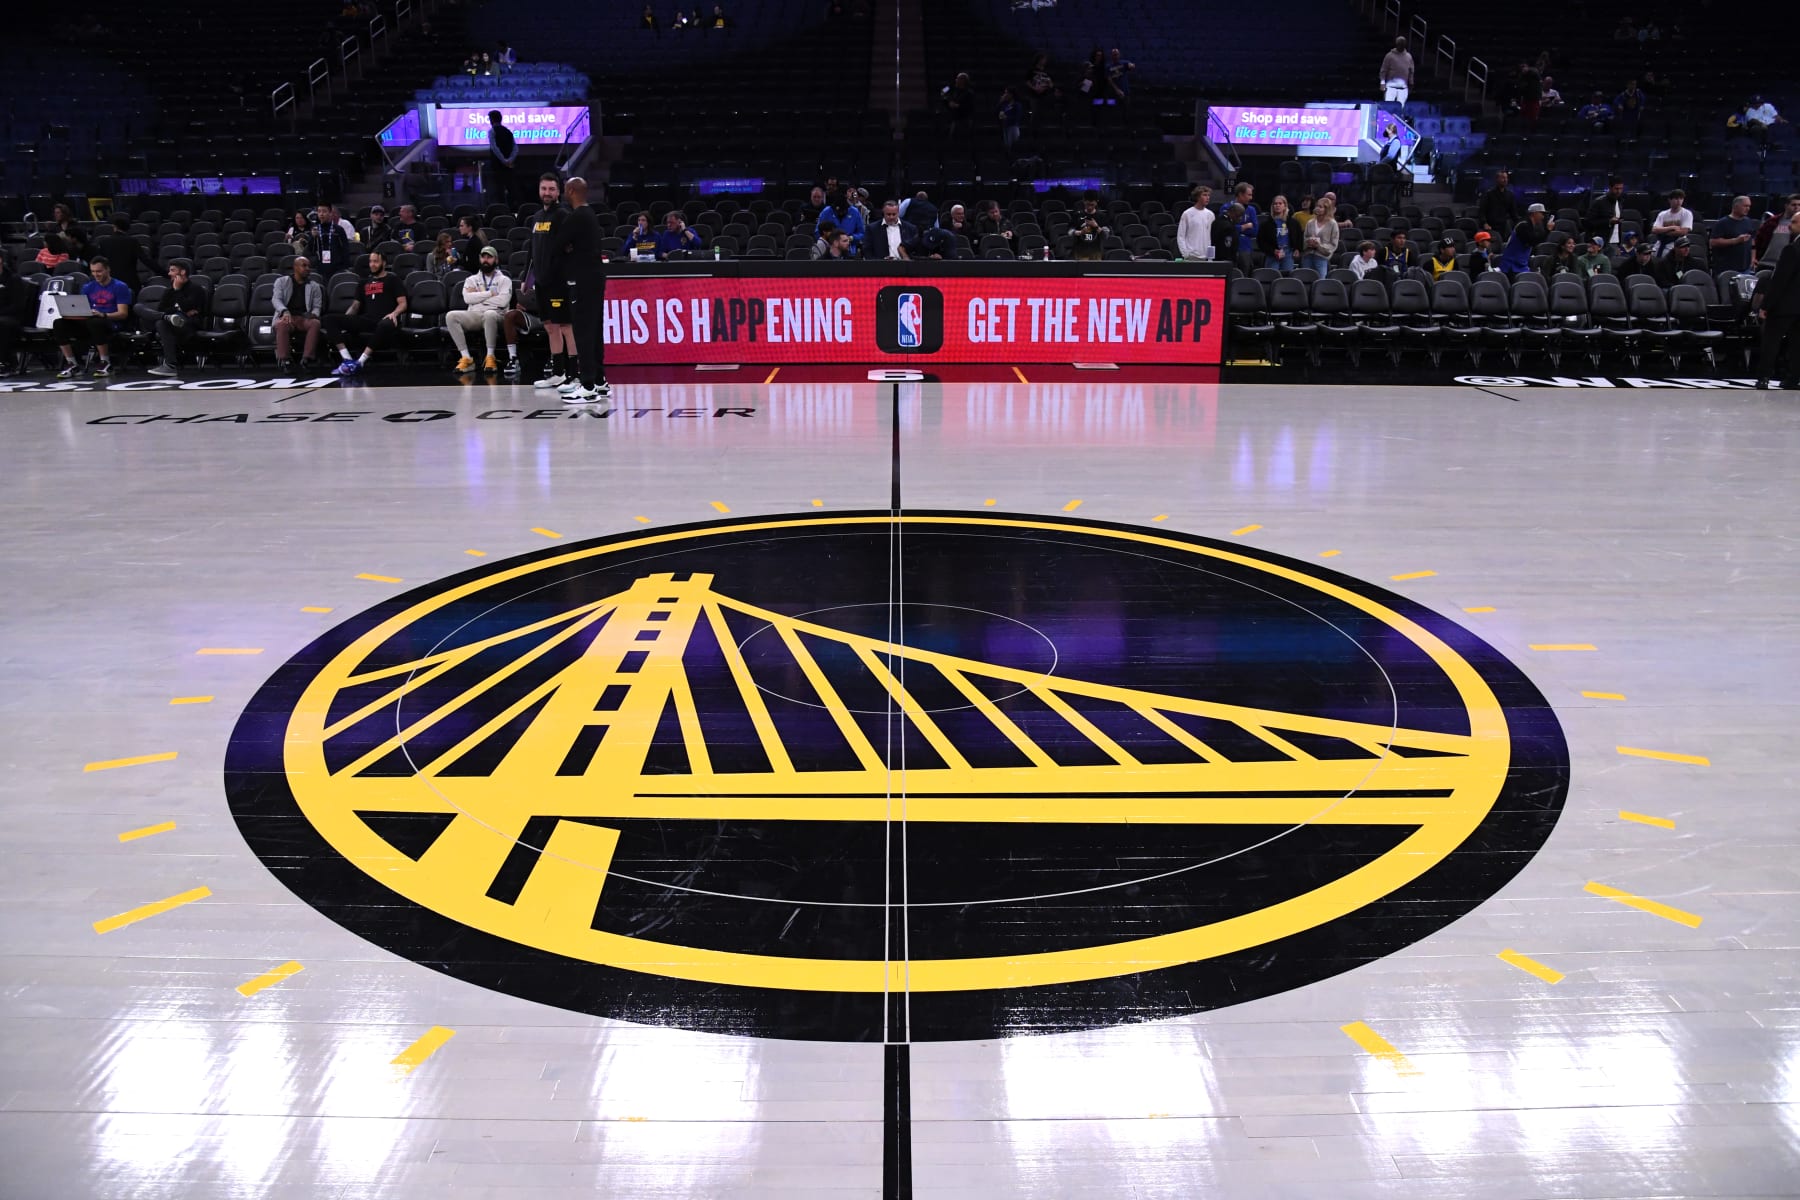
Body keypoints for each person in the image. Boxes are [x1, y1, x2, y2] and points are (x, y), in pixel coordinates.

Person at [549, 176, 609, 403]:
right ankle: (600, 381)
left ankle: (587, 385)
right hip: (595, 277)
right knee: (594, 330)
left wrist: (568, 249)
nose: (564, 192)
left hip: (583, 280)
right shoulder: (590, 215)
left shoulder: (576, 217)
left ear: (572, 191)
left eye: (565, 189)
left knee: (583, 331)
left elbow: (556, 246)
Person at [323, 250, 408, 376]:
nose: (372, 264)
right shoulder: (363, 282)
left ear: (383, 263)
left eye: (376, 261)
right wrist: (346, 320)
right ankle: (347, 359)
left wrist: (394, 313)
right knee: (328, 319)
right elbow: (355, 306)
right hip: (367, 319)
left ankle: (360, 362)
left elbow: (403, 303)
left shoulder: (392, 279)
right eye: (371, 261)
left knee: (384, 324)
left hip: (386, 319)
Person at [527, 173, 577, 389]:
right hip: (541, 281)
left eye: (551, 189)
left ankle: (574, 375)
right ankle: (558, 373)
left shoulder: (563, 215)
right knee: (549, 326)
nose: (547, 193)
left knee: (566, 326)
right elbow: (533, 250)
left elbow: (572, 247)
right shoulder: (537, 217)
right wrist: (527, 278)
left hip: (559, 280)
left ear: (558, 192)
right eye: (543, 189)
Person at [53, 255, 132, 379]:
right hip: (90, 321)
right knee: (59, 323)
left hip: (110, 321)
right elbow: (83, 309)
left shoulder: (120, 286)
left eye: (99, 271)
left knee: (95, 322)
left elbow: (123, 314)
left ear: (107, 270)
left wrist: (103, 314)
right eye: (93, 271)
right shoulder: (88, 287)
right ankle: (72, 363)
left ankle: (105, 362)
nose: (96, 274)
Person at [1751, 211, 1800, 390]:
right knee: (1797, 345)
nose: (1789, 225)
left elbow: (1780, 280)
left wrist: (1766, 305)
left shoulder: (1791, 249)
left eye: (1794, 222)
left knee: (1771, 342)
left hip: (1784, 306)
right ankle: (1794, 379)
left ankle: (1764, 377)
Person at [448, 245, 512, 374]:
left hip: (497, 315)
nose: (486, 260)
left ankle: (490, 356)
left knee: (489, 314)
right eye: (483, 257)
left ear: (496, 260)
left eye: (489, 257)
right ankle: (466, 357)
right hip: (475, 314)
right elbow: (467, 299)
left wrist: (477, 296)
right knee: (451, 316)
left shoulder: (505, 280)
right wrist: (490, 293)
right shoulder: (471, 280)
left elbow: (503, 301)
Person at [143, 260, 208, 376]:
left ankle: (170, 365)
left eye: (172, 270)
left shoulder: (197, 289)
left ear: (182, 272)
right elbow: (161, 309)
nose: (169, 273)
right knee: (139, 308)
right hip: (170, 324)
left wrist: (177, 291)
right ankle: (169, 319)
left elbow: (187, 306)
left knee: (161, 322)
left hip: (189, 326)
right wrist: (178, 310)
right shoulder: (169, 291)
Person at [271, 256, 324, 369]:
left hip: (304, 318)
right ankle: (285, 360)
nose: (307, 268)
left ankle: (307, 359)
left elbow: (317, 306)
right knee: (282, 324)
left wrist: (313, 314)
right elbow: (276, 300)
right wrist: (284, 311)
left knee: (315, 323)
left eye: (309, 266)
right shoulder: (281, 282)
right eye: (304, 265)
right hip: (287, 317)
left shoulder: (314, 286)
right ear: (295, 267)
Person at [0, 256, 35, 375]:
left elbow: (17, 306)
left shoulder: (13, 279)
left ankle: (5, 362)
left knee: (2, 324)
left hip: (13, 317)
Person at [1709, 195, 1757, 275]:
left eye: (1749, 206)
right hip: (1727, 269)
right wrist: (1735, 241)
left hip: (1745, 268)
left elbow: (1752, 242)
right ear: (1736, 206)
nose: (1748, 208)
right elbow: (1713, 242)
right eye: (1745, 206)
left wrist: (1753, 258)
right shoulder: (1723, 223)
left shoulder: (1748, 222)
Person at [1257, 196, 1305, 275]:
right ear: (1272, 206)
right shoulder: (1266, 224)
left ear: (1285, 206)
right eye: (1275, 204)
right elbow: (1261, 242)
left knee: (1287, 277)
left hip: (1288, 252)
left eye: (1280, 203)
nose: (1277, 205)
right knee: (1271, 276)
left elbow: (1299, 237)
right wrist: (1273, 251)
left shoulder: (1293, 223)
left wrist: (1297, 249)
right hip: (1272, 253)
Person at [1498, 204, 1551, 274]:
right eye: (1541, 213)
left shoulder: (1531, 226)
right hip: (1511, 266)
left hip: (1521, 265)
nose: (1543, 217)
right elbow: (1532, 241)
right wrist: (1547, 230)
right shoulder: (1523, 225)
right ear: (1534, 213)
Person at [96, 215, 148, 286]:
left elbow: (99, 263)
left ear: (114, 227)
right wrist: (163, 273)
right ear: (127, 229)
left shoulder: (104, 242)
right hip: (130, 282)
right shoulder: (132, 241)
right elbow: (146, 260)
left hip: (111, 282)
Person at [1754, 195, 1800, 270]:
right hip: (1765, 263)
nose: (1797, 207)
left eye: (1799, 205)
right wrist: (1755, 257)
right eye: (1794, 205)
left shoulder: (1799, 225)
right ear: (1786, 206)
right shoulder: (1772, 221)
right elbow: (1758, 240)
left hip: (1786, 265)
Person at [486, 110, 518, 206]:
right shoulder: (508, 131)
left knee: (498, 189)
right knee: (510, 188)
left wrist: (504, 160)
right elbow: (515, 148)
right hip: (509, 165)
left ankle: (501, 210)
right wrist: (510, 160)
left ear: (491, 120)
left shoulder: (492, 131)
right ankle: (512, 208)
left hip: (497, 166)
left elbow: (494, 148)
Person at [1177, 185, 1215, 261]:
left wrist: (1210, 256)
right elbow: (1181, 236)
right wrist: (1185, 254)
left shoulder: (1210, 214)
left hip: (1206, 256)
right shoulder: (1187, 214)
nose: (1207, 197)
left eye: (1208, 195)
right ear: (1197, 197)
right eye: (1204, 195)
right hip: (1191, 256)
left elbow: (1211, 236)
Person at [1650, 190, 1693, 256]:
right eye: (1676, 198)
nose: (1679, 201)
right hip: (1661, 242)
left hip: (1677, 244)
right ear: (1670, 200)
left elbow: (1683, 232)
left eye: (1681, 198)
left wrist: (1662, 232)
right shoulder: (1662, 214)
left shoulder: (1687, 213)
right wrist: (1672, 227)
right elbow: (1654, 230)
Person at [1585, 177, 1627, 246]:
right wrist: (1609, 221)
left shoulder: (1620, 201)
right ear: (1610, 188)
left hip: (1615, 242)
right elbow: (1588, 222)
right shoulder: (1599, 202)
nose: (1619, 191)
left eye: (1621, 189)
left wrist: (1619, 244)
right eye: (1616, 188)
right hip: (1600, 242)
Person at [1302, 197, 1338, 273]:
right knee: (1305, 280)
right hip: (1307, 256)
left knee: (1320, 282)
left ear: (1326, 209)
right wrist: (1309, 242)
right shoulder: (1310, 222)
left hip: (1321, 257)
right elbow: (1304, 238)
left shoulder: (1333, 224)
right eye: (1317, 206)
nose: (1317, 208)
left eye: (1320, 207)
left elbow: (1333, 244)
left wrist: (1319, 246)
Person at [1477, 171, 1519, 235]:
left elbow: (1513, 213)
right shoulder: (1489, 194)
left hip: (1503, 226)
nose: (1505, 180)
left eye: (1506, 178)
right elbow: (1482, 211)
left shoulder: (1510, 195)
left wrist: (1519, 223)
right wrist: (1484, 223)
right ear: (1497, 179)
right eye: (1502, 178)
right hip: (1490, 226)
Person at [1379, 37, 1414, 105]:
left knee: (1401, 109)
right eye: (1399, 44)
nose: (1401, 45)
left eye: (1402, 44)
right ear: (1396, 44)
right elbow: (1383, 70)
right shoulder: (1389, 56)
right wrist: (1382, 83)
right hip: (1390, 87)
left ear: (1405, 45)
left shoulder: (1408, 56)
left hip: (1403, 88)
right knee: (1388, 107)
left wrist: (1411, 82)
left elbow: (1411, 71)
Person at [998, 88, 1024, 153]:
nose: (1004, 95)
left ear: (1011, 95)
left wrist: (1006, 117)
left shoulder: (1017, 105)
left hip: (1013, 127)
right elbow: (997, 112)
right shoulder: (1005, 104)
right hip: (1005, 127)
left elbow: (1017, 117)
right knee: (1007, 147)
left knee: (1012, 147)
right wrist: (1000, 102)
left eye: (1006, 93)